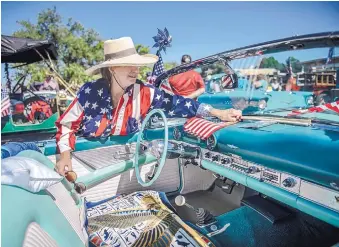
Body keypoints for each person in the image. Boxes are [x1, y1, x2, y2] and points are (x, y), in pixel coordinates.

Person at [55, 37, 242, 176]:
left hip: (126, 160)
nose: (136, 70)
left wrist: (218, 112)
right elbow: (67, 124)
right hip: (86, 159)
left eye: (137, 65)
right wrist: (64, 155)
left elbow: (179, 103)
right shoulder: (90, 92)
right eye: (128, 64)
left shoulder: (145, 92)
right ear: (112, 68)